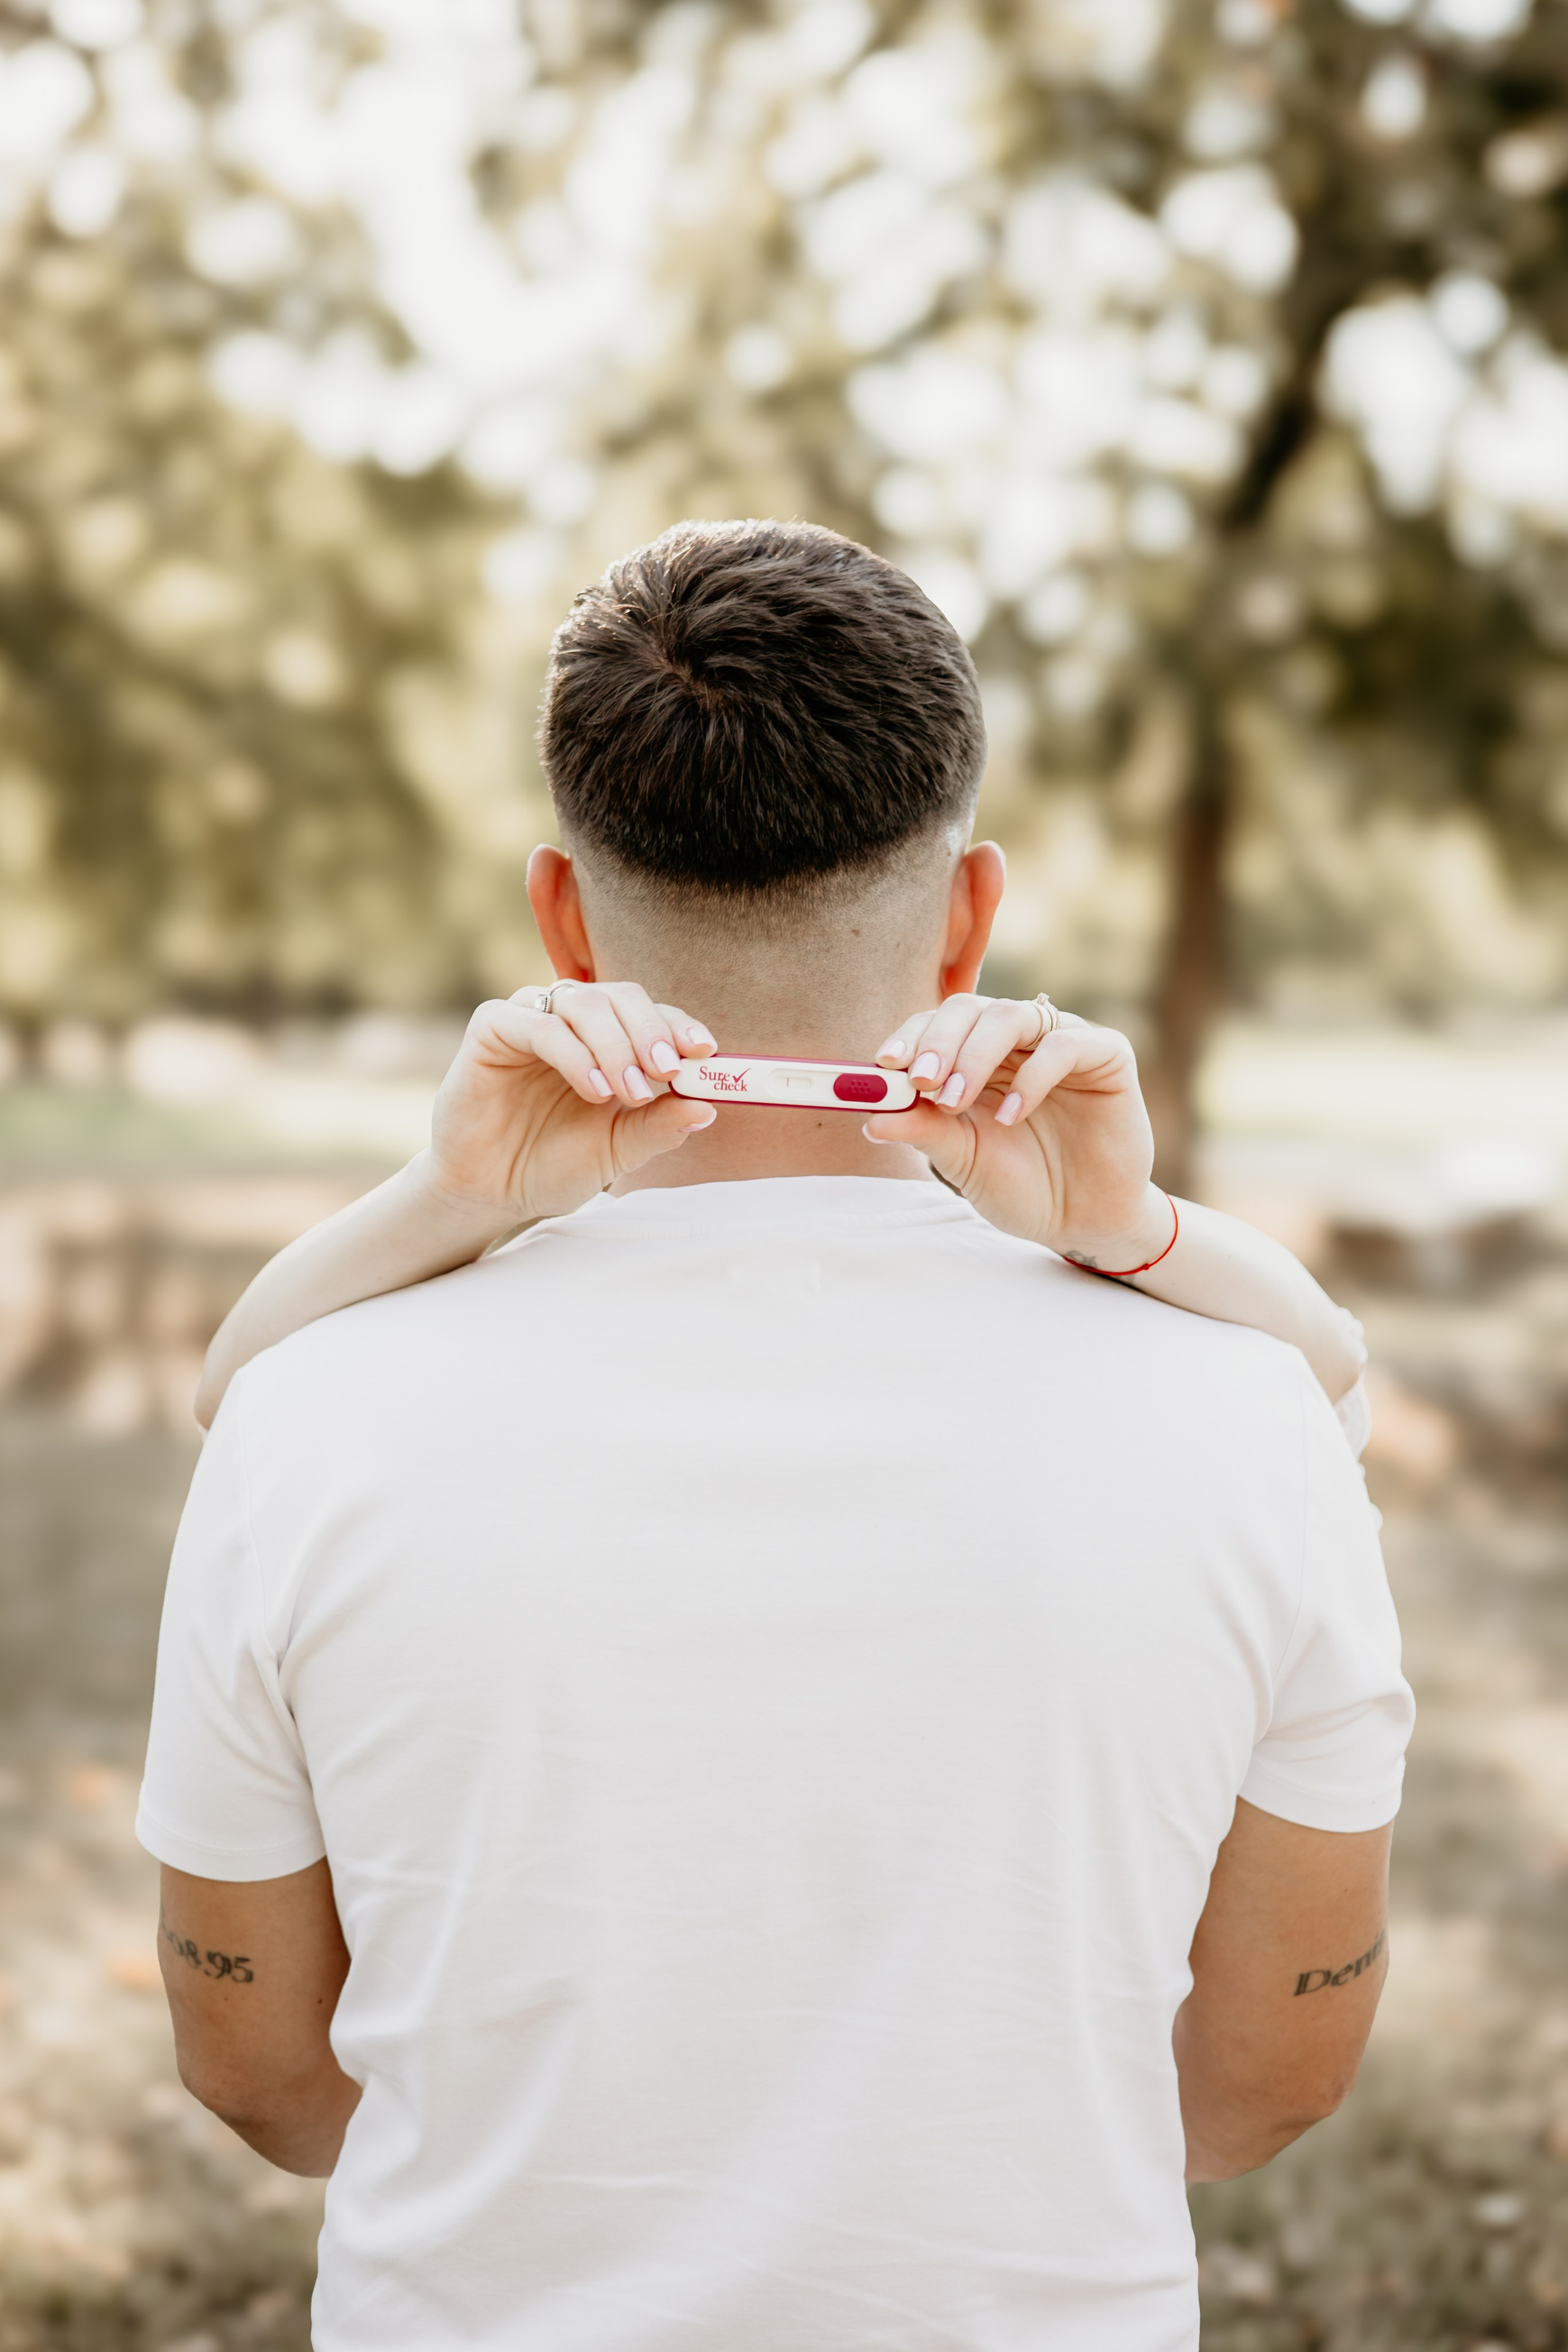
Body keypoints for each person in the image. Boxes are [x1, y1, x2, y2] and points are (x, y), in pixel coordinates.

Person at [138, 519, 1411, 2352]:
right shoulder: (1256, 1418)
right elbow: (1261, 2084)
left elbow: (262, 2073)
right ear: (969, 921)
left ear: (563, 919)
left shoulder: (301, 1416)